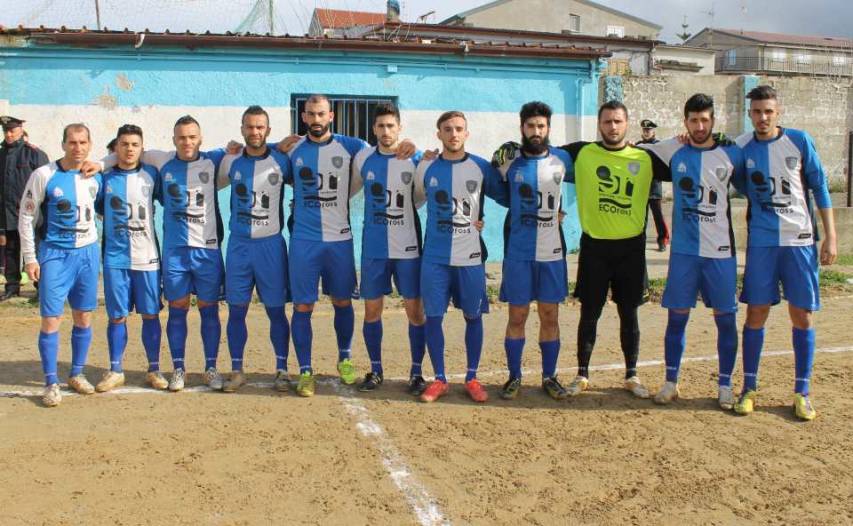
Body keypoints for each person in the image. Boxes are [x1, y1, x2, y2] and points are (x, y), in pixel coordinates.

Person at [498, 101, 670, 399]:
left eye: (617, 121)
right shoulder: (574, 153)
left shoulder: (640, 156)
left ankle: (624, 374)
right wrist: (507, 149)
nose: (612, 127)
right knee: (574, 313)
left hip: (628, 249)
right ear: (599, 124)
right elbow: (517, 171)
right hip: (581, 249)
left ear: (626, 124)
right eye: (607, 121)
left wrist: (712, 140)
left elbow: (684, 159)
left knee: (621, 314)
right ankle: (559, 375)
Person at [84, 115, 232, 392]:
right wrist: (100, 163)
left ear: (200, 138)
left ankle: (211, 367)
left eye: (192, 137)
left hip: (207, 251)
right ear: (173, 139)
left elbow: (251, 147)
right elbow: (116, 158)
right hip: (173, 254)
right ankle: (177, 368)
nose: (187, 142)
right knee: (175, 311)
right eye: (181, 137)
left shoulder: (214, 160)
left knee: (208, 310)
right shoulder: (160, 163)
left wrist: (279, 144)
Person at [734, 85, 837, 421]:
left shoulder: (800, 141)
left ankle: (802, 392)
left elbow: (820, 188)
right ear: (750, 115)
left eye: (768, 112)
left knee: (802, 315)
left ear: (778, 113)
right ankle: (749, 388)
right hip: (763, 243)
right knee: (756, 313)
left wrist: (831, 237)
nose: (762, 118)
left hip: (800, 241)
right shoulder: (742, 147)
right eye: (757, 112)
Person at [636, 94, 745, 409]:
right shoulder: (675, 151)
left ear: (713, 120)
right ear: (686, 122)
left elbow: (757, 156)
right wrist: (672, 138)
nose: (700, 126)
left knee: (725, 321)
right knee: (676, 319)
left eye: (705, 120)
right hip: (684, 254)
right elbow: (637, 150)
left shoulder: (730, 153)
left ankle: (725, 385)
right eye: (694, 120)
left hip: (721, 253)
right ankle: (671, 381)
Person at [414, 110, 502, 403]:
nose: (454, 134)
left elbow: (507, 194)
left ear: (467, 133)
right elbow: (412, 201)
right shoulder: (426, 167)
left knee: (473, 316)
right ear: (438, 134)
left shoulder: (480, 167)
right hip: (435, 258)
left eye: (459, 129)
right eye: (448, 129)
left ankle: (472, 377)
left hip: (470, 257)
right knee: (433, 317)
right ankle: (439, 379)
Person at [490, 101, 573, 401]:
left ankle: (549, 377)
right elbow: (491, 185)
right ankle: (514, 376)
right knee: (517, 315)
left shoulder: (563, 159)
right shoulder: (507, 159)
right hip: (519, 253)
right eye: (530, 126)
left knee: (550, 315)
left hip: (552, 252)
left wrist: (564, 209)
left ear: (548, 128)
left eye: (541, 126)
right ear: (522, 127)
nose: (536, 131)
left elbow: (591, 168)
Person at [19, 123, 101, 407]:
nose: (77, 148)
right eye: (72, 142)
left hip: (88, 254)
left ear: (89, 144)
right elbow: (26, 217)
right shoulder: (44, 175)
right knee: (52, 318)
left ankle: (76, 374)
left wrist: (101, 164)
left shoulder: (94, 175)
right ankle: (51, 381)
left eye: (83, 143)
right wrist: (30, 257)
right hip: (55, 254)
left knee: (84, 316)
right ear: (63, 144)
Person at [350, 103, 428, 394]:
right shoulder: (363, 158)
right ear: (373, 129)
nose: (385, 131)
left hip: (408, 248)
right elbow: (349, 190)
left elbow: (421, 197)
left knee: (414, 311)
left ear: (399, 127)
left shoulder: (415, 158)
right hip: (373, 249)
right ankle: (375, 370)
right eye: (380, 126)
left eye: (390, 126)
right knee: (372, 311)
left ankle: (417, 373)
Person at [217, 106, 292, 393]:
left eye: (260, 127)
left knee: (275, 311)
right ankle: (236, 370)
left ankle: (282, 369)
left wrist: (274, 147)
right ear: (242, 129)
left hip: (270, 245)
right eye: (250, 127)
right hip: (238, 246)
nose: (255, 132)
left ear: (268, 130)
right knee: (236, 311)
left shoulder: (282, 161)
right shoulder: (230, 161)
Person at [95, 124, 168, 392]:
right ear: (116, 148)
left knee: (151, 315)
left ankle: (154, 369)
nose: (129, 149)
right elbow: (96, 207)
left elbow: (167, 202)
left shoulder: (152, 174)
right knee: (116, 317)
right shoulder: (104, 177)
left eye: (135, 144)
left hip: (147, 258)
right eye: (124, 144)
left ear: (142, 147)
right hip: (115, 259)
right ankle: (115, 369)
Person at [0, 115, 48, 300]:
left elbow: (46, 184)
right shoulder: (2, 154)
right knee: (11, 250)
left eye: (12, 130)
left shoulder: (33, 153)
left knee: (36, 250)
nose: (9, 134)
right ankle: (12, 286)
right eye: (6, 131)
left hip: (31, 213)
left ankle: (40, 287)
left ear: (20, 130)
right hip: (8, 211)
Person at [639, 119, 669, 252]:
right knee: (641, 217)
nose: (646, 132)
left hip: (654, 185)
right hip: (641, 187)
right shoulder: (638, 145)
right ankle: (640, 240)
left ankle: (662, 240)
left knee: (658, 216)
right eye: (644, 130)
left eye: (648, 130)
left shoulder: (659, 146)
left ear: (653, 131)